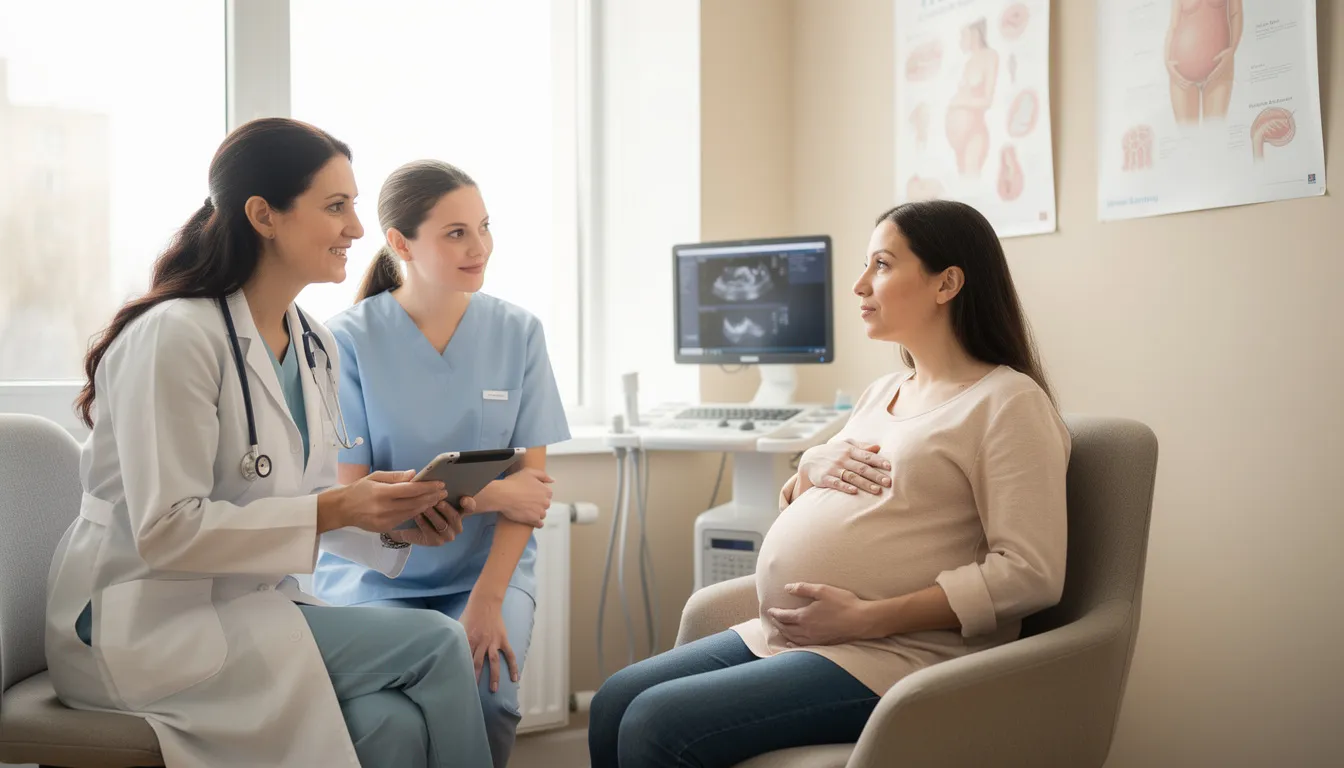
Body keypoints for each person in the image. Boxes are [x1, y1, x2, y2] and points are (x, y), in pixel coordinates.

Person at [45, 118, 493, 768]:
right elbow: (167, 532)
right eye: (335, 206)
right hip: (139, 619)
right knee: (437, 643)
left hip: (242, 606)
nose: (358, 230)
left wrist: (396, 527)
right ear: (264, 215)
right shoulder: (174, 337)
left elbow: (299, 500)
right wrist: (340, 508)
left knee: (387, 724)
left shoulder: (313, 343)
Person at [588, 199, 1071, 767]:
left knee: (654, 722)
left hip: (898, 654)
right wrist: (806, 471)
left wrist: (870, 617)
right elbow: (824, 503)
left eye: (883, 265)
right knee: (614, 701)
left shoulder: (1006, 403)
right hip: (794, 636)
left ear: (948, 283)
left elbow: (1031, 573)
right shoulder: (883, 391)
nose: (860, 284)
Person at [312, 159, 571, 768]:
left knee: (489, 696)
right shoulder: (344, 340)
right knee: (388, 720)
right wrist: (489, 494)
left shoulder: (519, 333)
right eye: (456, 233)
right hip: (376, 581)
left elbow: (529, 495)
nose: (479, 246)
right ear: (400, 243)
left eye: (484, 227)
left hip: (486, 573)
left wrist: (486, 600)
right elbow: (358, 500)